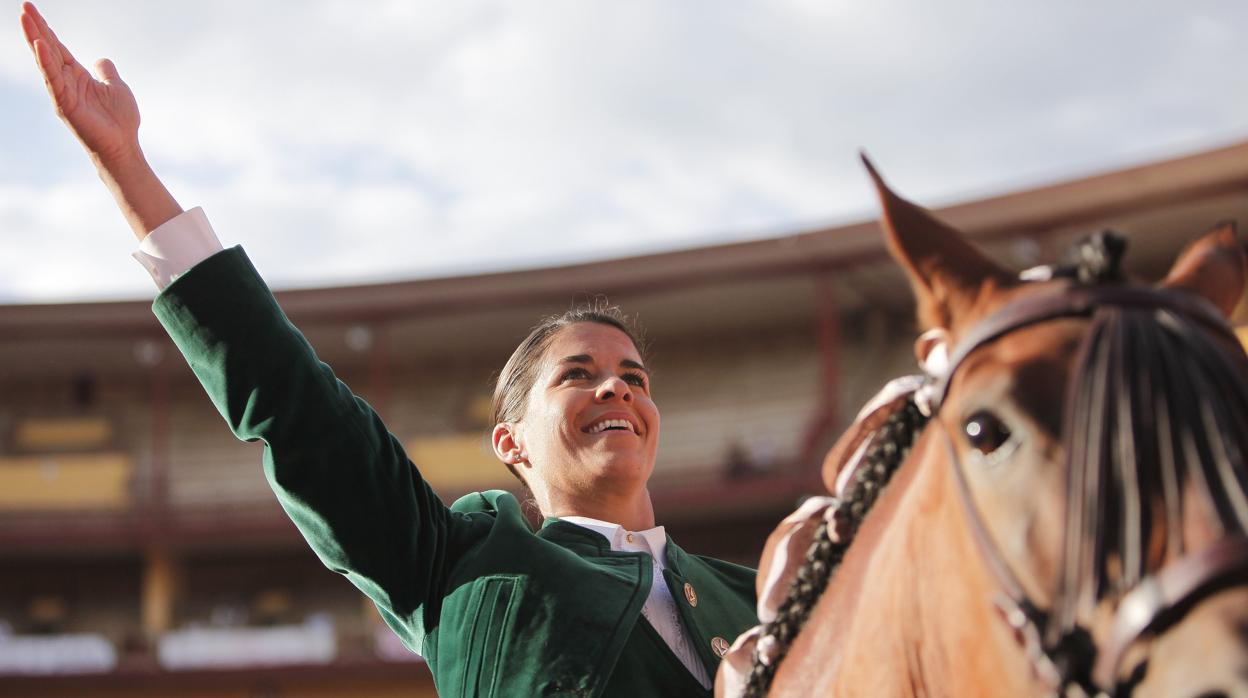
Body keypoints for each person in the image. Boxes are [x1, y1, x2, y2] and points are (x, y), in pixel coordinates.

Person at [19, 3, 758, 696]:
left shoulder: (766, 592)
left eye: (634, 376)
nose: (617, 388)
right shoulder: (460, 561)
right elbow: (296, 407)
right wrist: (126, 166)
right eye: (579, 374)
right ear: (512, 441)